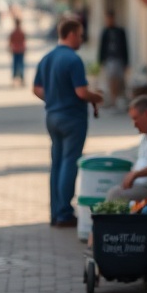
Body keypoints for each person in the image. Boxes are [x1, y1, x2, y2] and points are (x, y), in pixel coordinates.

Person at [33, 17, 104, 227]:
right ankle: (64, 213)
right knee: (69, 163)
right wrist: (97, 98)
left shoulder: (46, 58)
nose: (81, 39)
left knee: (56, 163)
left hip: (52, 117)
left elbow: (37, 89)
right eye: (80, 35)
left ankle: (55, 211)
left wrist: (54, 99)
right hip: (72, 118)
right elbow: (81, 91)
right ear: (71, 34)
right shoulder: (73, 60)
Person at [98, 11, 129, 108]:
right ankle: (113, 99)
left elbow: (125, 47)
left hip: (119, 59)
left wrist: (126, 62)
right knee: (111, 79)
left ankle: (118, 99)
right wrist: (100, 61)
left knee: (119, 80)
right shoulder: (105, 32)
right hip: (109, 59)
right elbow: (102, 47)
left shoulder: (120, 31)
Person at [8, 17, 27, 87]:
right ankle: (22, 79)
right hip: (21, 50)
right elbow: (24, 41)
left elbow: (10, 42)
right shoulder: (22, 32)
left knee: (15, 65)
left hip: (15, 50)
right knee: (21, 65)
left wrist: (9, 48)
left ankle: (14, 80)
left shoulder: (13, 32)